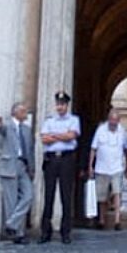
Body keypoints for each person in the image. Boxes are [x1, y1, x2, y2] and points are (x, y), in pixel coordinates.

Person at [37, 89, 80, 244]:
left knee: (66, 196)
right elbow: (44, 139)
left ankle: (65, 232)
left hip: (67, 159)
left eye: (62, 104)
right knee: (48, 195)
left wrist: (53, 135)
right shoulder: (49, 120)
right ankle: (45, 231)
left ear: (67, 105)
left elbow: (72, 136)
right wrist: (63, 136)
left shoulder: (74, 120)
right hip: (51, 160)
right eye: (58, 104)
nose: (60, 107)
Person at [0, 101, 34, 244]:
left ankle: (11, 224)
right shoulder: (8, 126)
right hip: (9, 165)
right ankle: (18, 234)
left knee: (29, 195)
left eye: (26, 111)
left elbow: (30, 150)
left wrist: (31, 168)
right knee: (11, 201)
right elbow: (0, 129)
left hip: (23, 166)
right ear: (14, 113)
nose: (25, 113)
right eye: (23, 111)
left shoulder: (27, 130)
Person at [86, 107, 127, 230]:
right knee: (102, 196)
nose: (113, 122)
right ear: (108, 119)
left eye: (115, 120)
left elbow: (126, 149)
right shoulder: (100, 130)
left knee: (117, 193)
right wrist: (90, 166)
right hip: (101, 168)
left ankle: (117, 220)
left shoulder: (122, 131)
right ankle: (102, 220)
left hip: (117, 168)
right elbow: (93, 149)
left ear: (119, 120)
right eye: (111, 119)